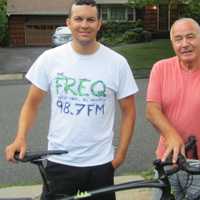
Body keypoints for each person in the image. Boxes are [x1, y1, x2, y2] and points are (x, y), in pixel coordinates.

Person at [5, 0, 138, 199]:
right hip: (60, 162)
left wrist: (120, 156)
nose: (84, 25)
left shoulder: (117, 63)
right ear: (68, 23)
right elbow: (31, 103)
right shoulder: (50, 59)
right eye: (78, 19)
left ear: (99, 23)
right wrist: (20, 137)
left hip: (100, 164)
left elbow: (129, 112)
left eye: (90, 19)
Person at [146, 18, 200, 199]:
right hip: (167, 159)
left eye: (190, 37)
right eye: (178, 39)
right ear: (172, 43)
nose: (184, 44)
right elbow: (152, 110)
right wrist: (172, 136)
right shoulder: (160, 68)